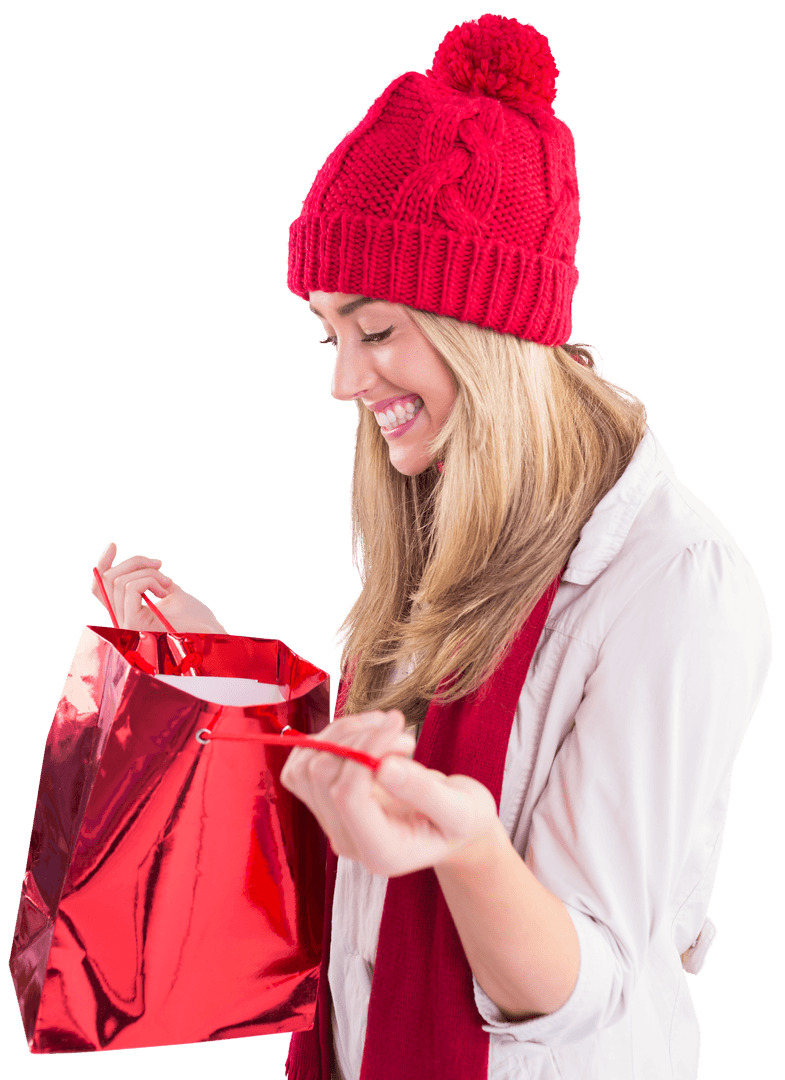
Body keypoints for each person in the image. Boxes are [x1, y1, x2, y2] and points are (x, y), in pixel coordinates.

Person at [89, 14, 772, 1080]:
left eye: (375, 331)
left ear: (484, 328)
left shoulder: (672, 582)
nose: (342, 383)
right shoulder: (442, 516)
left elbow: (584, 987)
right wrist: (220, 680)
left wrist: (465, 850)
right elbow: (358, 867)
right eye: (329, 337)